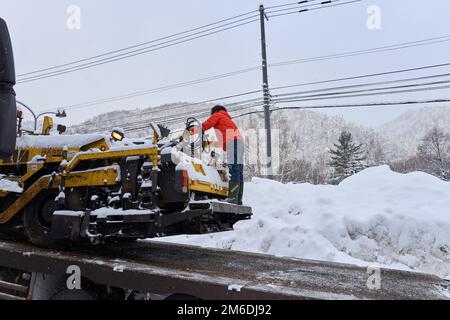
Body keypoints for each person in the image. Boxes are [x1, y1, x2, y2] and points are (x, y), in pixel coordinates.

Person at [201, 105, 244, 205]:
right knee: (239, 172)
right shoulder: (227, 119)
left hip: (232, 143)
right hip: (239, 143)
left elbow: (206, 125)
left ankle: (232, 198)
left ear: (214, 112)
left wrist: (192, 130)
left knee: (234, 170)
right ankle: (238, 200)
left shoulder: (218, 115)